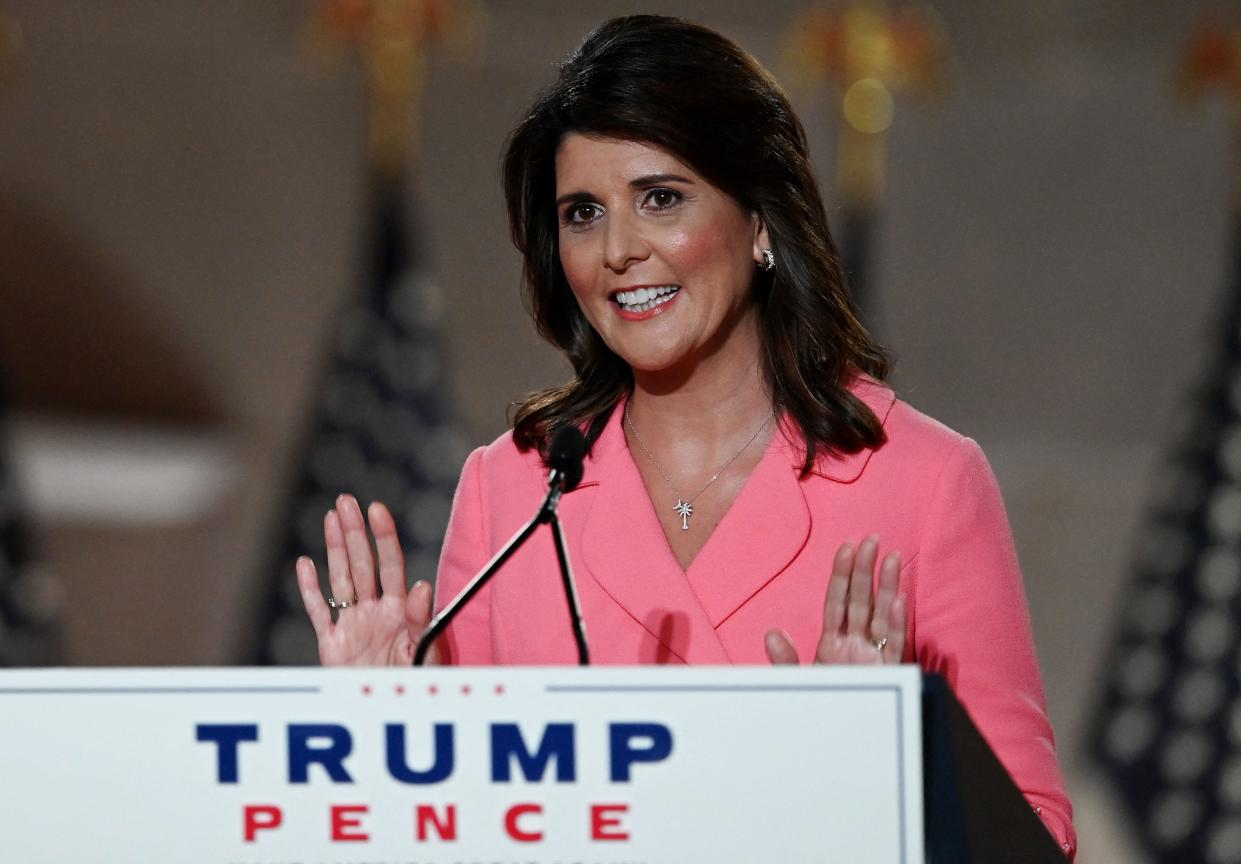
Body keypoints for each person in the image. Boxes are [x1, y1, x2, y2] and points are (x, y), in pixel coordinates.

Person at [294, 14, 1075, 857]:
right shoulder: (516, 488)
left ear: (760, 221)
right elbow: (452, 833)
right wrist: (372, 749)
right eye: (582, 213)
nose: (619, 250)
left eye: (660, 199)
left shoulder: (922, 481)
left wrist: (895, 765)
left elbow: (1034, 841)